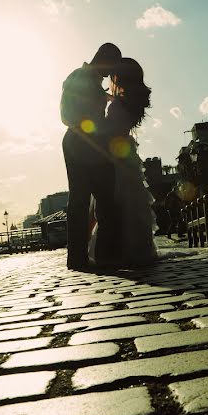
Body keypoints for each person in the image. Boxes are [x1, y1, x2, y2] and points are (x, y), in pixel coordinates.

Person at [60, 42, 123, 271]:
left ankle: (100, 256)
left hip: (92, 145)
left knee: (104, 201)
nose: (110, 73)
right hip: (81, 143)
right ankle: (79, 258)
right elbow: (66, 114)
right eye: (111, 66)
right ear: (102, 59)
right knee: (82, 200)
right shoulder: (80, 77)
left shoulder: (93, 82)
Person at [89, 56, 158, 266]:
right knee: (130, 204)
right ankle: (134, 248)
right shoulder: (127, 102)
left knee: (115, 204)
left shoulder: (119, 104)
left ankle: (115, 251)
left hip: (115, 156)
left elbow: (109, 131)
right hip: (125, 155)